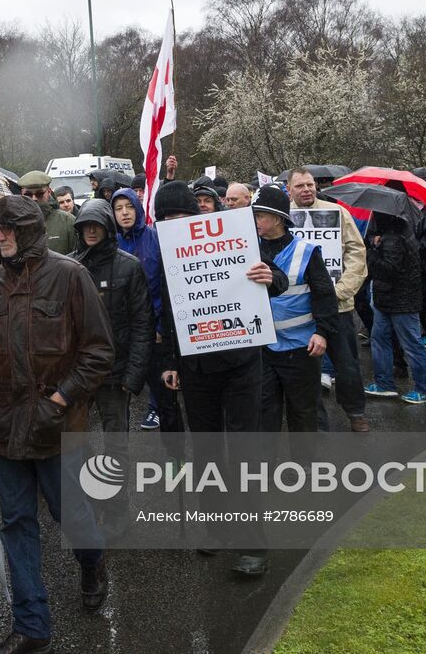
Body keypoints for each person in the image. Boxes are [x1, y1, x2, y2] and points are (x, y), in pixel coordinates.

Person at [0, 195, 114, 654]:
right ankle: (32, 626)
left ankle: (92, 562)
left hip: (57, 427)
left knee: (73, 517)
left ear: (30, 230)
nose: (0, 237)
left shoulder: (71, 275)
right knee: (16, 522)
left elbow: (98, 352)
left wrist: (60, 397)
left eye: (8, 228)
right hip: (4, 428)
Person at [157, 181, 288, 576]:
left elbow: (277, 280)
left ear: (196, 214)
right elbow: (168, 310)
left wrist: (270, 277)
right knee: (208, 451)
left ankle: (253, 545)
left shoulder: (236, 235)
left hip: (242, 363)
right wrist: (170, 362)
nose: (173, 224)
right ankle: (215, 527)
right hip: (196, 368)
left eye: (179, 216)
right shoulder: (167, 253)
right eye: (165, 219)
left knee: (244, 453)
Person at [288, 169, 371, 431]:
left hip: (338, 305)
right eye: (300, 185)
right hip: (298, 308)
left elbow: (357, 253)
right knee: (306, 372)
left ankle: (356, 412)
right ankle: (316, 423)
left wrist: (342, 290)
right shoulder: (283, 217)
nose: (306, 190)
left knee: (347, 366)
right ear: (289, 189)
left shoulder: (338, 213)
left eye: (310, 184)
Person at [253, 185, 338, 433]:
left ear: (278, 219)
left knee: (303, 413)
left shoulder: (306, 252)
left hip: (300, 348)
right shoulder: (248, 248)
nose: (254, 220)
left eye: (260, 215)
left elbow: (325, 295)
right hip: (263, 347)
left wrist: (322, 332)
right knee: (264, 413)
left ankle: (305, 467)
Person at [70, 199, 151, 440]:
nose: (91, 230)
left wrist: (133, 375)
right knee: (74, 441)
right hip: (76, 371)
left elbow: (142, 323)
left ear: (107, 226)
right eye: (86, 225)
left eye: (97, 224)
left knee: (116, 445)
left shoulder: (129, 266)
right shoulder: (67, 265)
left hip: (115, 372)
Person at [363, 208, 426, 404]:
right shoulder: (400, 231)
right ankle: (384, 383)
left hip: (400, 301)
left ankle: (425, 389)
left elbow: (388, 269)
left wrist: (371, 252)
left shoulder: (393, 238)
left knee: (411, 344)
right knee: (380, 339)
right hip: (388, 299)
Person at [111, 186, 166, 431]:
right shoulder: (111, 243)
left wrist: (162, 325)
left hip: (154, 321)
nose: (124, 213)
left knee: (157, 375)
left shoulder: (155, 238)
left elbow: (164, 284)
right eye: (118, 208)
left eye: (129, 206)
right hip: (124, 324)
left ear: (139, 208)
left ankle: (156, 410)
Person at [17, 171, 78, 255]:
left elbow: (79, 257)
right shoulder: (14, 222)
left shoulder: (68, 221)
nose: (34, 198)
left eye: (39, 194)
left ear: (49, 192)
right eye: (28, 194)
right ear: (22, 193)